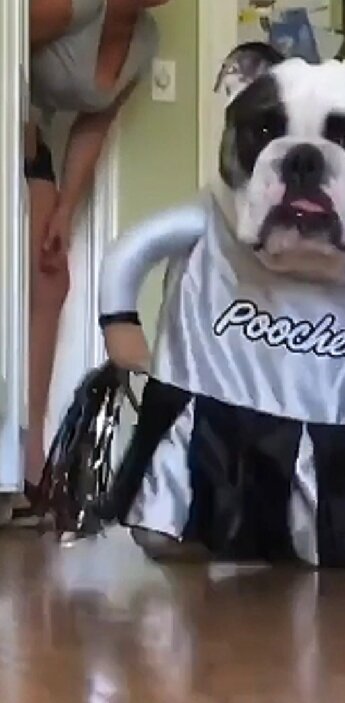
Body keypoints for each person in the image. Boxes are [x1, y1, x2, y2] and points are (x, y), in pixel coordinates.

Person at [11, 0, 165, 524]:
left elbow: (93, 125)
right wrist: (18, 115)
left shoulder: (144, 40)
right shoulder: (75, 7)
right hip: (12, 124)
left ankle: (26, 464)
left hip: (28, 144)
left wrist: (65, 208)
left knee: (48, 280)